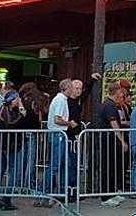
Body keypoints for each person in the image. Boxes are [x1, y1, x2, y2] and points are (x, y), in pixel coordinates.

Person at [95, 82, 128, 208]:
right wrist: (122, 140)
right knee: (107, 168)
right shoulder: (109, 105)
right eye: (120, 92)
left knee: (113, 167)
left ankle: (112, 192)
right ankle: (105, 197)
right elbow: (114, 124)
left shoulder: (111, 104)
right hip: (108, 140)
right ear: (116, 92)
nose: (122, 95)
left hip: (111, 141)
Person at [42, 78, 74, 206]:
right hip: (58, 134)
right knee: (55, 164)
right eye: (72, 87)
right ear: (67, 88)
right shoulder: (61, 100)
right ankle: (46, 192)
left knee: (62, 164)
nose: (73, 89)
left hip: (58, 134)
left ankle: (60, 192)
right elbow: (57, 119)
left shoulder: (60, 99)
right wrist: (69, 123)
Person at [0, 90, 25, 211]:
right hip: (8, 144)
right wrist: (21, 115)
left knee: (3, 169)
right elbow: (10, 124)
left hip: (10, 143)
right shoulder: (6, 109)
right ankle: (5, 197)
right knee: (11, 170)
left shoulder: (11, 110)